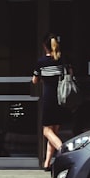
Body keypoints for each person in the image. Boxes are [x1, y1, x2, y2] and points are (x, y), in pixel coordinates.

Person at [32, 33, 68, 170]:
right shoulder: (61, 60)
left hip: (48, 98)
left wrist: (43, 78)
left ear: (44, 46)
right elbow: (69, 73)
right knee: (54, 131)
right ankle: (47, 163)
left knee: (46, 131)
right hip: (60, 98)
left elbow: (34, 80)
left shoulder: (41, 62)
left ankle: (63, 151)